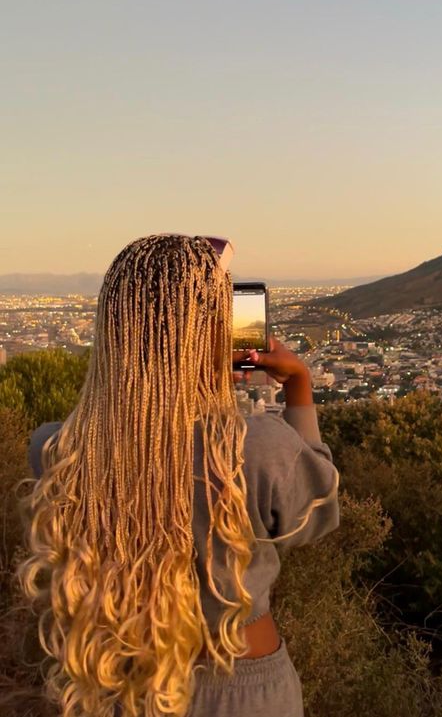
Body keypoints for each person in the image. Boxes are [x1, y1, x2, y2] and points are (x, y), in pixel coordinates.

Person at [19, 234, 340, 717]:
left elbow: (124, 430)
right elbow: (319, 517)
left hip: (119, 685)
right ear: (212, 332)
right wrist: (299, 385)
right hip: (243, 693)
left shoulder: (55, 450)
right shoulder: (257, 449)